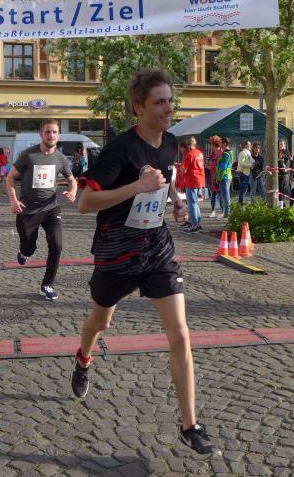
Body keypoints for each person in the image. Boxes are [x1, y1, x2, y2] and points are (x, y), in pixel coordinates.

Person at [71, 68, 218, 456]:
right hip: (116, 251)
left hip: (157, 248)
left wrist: (177, 201)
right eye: (160, 102)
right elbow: (86, 203)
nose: (169, 108)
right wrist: (136, 185)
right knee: (101, 322)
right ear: (139, 108)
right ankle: (83, 359)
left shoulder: (171, 143)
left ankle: (190, 425)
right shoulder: (119, 150)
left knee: (180, 334)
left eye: (170, 101)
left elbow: (166, 180)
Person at [7, 120, 77, 300]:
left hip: (51, 209)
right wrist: (14, 200)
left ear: (58, 135)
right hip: (28, 210)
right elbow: (10, 178)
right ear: (41, 134)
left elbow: (72, 180)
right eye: (47, 132)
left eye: (54, 132)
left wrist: (73, 191)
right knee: (29, 248)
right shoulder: (28, 155)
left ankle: (47, 285)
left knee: (57, 244)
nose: (51, 135)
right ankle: (24, 252)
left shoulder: (61, 158)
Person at [180, 136, 206, 233]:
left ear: (188, 145)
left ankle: (195, 226)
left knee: (192, 204)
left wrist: (181, 170)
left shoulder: (190, 154)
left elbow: (184, 170)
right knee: (195, 203)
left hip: (192, 180)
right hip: (200, 180)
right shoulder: (199, 153)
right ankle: (198, 224)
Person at [215, 137, 234, 218]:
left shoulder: (225, 154)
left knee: (225, 196)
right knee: (225, 196)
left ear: (225, 143)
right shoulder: (230, 152)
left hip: (224, 177)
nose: (219, 144)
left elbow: (222, 168)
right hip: (228, 176)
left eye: (221, 142)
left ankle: (227, 213)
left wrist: (218, 178)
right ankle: (227, 212)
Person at [207, 136, 224, 218]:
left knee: (220, 194)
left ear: (214, 144)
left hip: (219, 176)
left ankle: (222, 211)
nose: (211, 145)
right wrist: (208, 165)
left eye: (211, 144)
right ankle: (213, 211)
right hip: (212, 176)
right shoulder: (212, 153)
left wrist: (210, 167)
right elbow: (208, 161)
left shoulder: (221, 153)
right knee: (213, 194)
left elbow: (220, 166)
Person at [236, 140, 253, 205]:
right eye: (249, 145)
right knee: (243, 190)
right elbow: (241, 163)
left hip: (247, 173)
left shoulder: (248, 153)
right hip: (243, 173)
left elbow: (251, 161)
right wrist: (251, 165)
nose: (250, 146)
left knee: (244, 190)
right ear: (245, 145)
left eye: (250, 145)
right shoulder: (243, 153)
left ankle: (241, 204)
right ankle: (241, 204)